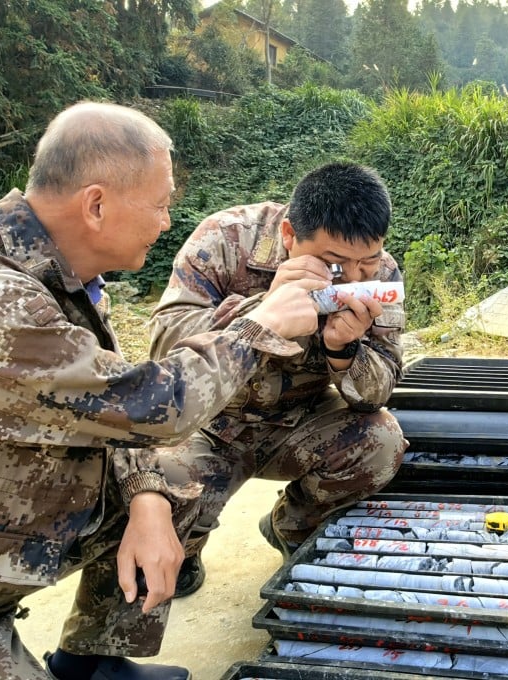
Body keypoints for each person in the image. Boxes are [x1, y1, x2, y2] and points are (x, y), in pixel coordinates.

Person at [0, 102, 325, 679]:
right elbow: (150, 405)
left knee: (176, 479)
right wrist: (260, 327)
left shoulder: (50, 274)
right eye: (160, 205)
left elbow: (104, 412)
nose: (165, 222)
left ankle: (91, 660)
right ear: (97, 204)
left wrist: (149, 498)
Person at [149, 161, 408, 595]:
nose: (355, 277)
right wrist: (263, 310)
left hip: (301, 420)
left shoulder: (380, 272)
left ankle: (290, 526)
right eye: (335, 264)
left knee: (380, 441)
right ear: (289, 235)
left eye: (368, 261)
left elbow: (377, 391)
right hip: (210, 422)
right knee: (156, 486)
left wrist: (344, 351)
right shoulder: (226, 238)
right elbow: (164, 349)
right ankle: (186, 548)